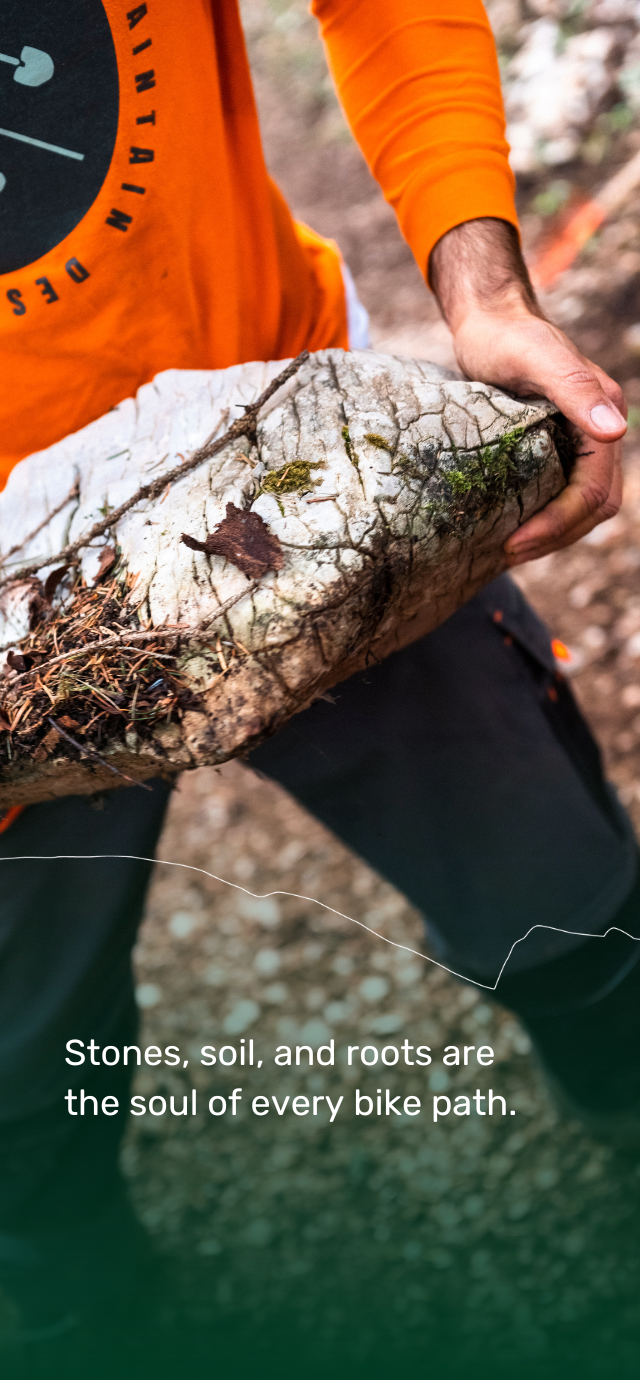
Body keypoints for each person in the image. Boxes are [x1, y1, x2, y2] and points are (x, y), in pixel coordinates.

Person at [0, 0, 638, 1347]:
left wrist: (481, 284)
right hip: (9, 655)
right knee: (19, 1101)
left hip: (298, 468)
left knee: (567, 902)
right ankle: (86, 1316)